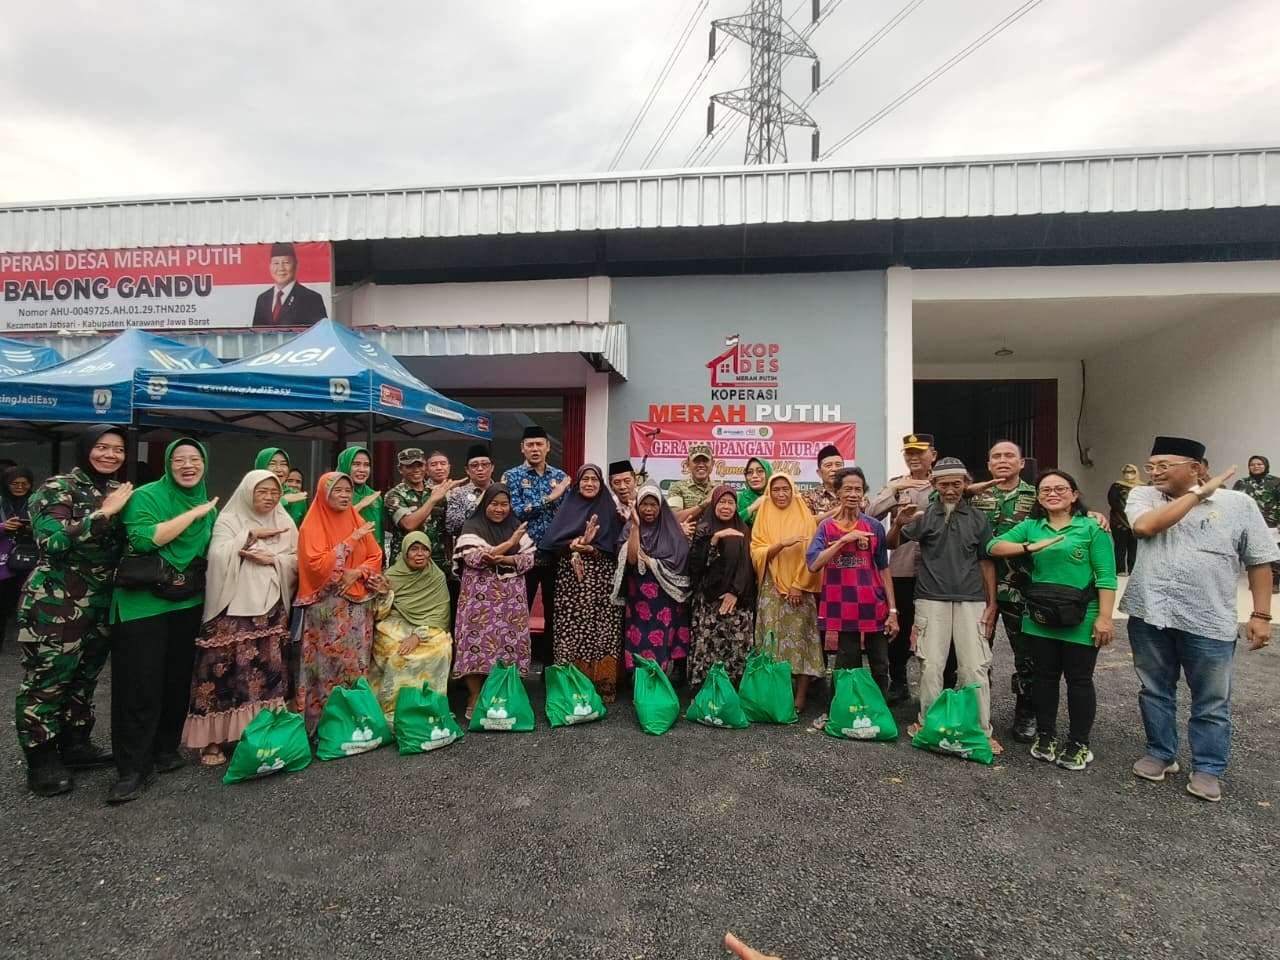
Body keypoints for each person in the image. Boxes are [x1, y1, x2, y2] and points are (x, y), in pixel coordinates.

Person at [1121, 437, 1278, 802]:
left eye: (1164, 465)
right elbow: (1145, 528)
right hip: (1150, 613)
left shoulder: (1238, 504)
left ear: (1196, 467)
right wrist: (1197, 494)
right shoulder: (1143, 496)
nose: (1154, 472)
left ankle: (1208, 767)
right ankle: (1161, 753)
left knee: (1211, 700)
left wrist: (1261, 614)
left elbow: (1259, 560)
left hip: (1209, 618)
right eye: (1151, 466)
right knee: (1154, 690)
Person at [14, 425, 132, 797]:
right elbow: (51, 541)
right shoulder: (58, 488)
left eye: (118, 449)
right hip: (56, 600)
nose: (110, 455)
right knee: (48, 679)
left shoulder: (118, 490)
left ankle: (76, 743)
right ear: (85, 449)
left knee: (84, 677)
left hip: (101, 601)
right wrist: (103, 514)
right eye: (102, 447)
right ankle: (41, 758)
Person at [110, 438, 218, 804]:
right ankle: (131, 769)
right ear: (168, 465)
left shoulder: (207, 504)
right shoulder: (146, 496)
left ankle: (165, 749)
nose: (188, 465)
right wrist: (193, 514)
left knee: (176, 681)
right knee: (139, 686)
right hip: (143, 606)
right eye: (179, 460)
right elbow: (144, 540)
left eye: (195, 459)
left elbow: (210, 551)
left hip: (187, 601)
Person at [987, 470, 1116, 770]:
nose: (1052, 493)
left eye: (1060, 488)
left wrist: (1105, 618)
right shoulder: (1032, 526)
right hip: (1040, 617)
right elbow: (993, 546)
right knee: (1044, 679)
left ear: (1074, 494)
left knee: (1079, 681)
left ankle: (1079, 742)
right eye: (1045, 490)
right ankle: (1046, 735)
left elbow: (1106, 576)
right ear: (1038, 497)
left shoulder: (1092, 527)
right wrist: (1028, 547)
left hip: (1081, 618)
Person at [887, 457, 1002, 756]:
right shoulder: (924, 515)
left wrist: (992, 603)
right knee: (930, 665)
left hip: (972, 599)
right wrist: (899, 522)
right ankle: (928, 723)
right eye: (944, 484)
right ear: (934, 485)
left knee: (974, 667)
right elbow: (891, 543)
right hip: (931, 598)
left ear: (965, 485)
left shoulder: (977, 518)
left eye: (956, 484)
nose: (950, 490)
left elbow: (986, 562)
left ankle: (981, 730)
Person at [182, 469, 297, 766]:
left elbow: (296, 559)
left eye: (275, 492)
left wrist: (273, 559)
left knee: (266, 674)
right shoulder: (230, 519)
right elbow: (217, 556)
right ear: (248, 492)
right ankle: (213, 739)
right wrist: (249, 535)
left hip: (270, 609)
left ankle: (263, 734)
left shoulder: (284, 520)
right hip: (232, 609)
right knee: (220, 672)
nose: (269, 498)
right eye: (262, 492)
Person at [293, 471, 386, 735]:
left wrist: (357, 572)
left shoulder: (356, 518)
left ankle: (356, 722)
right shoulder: (311, 525)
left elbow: (375, 554)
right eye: (338, 491)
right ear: (324, 493)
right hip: (326, 610)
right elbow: (315, 565)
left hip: (358, 609)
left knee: (355, 664)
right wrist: (350, 541)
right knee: (326, 666)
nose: (345, 496)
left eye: (348, 491)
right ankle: (325, 724)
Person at [968, 440, 1040, 743]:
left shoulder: (1037, 495)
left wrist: (1095, 515)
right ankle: (978, 710)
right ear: (988, 464)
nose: (1002, 460)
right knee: (976, 653)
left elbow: (1067, 513)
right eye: (996, 456)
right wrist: (973, 488)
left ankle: (1027, 712)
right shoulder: (975, 496)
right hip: (977, 588)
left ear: (1021, 463)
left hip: (1020, 588)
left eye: (1009, 456)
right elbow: (939, 496)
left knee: (1027, 655)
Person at [806, 468, 898, 698]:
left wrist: (893, 610)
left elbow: (884, 568)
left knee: (880, 664)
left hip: (873, 604)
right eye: (847, 489)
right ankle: (841, 708)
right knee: (847, 662)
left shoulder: (874, 526)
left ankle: (878, 709)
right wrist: (843, 541)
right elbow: (814, 564)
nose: (853, 494)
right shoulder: (826, 527)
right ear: (837, 492)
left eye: (858, 489)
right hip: (842, 605)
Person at [540, 464, 626, 701]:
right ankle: (571, 685)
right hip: (572, 582)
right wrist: (572, 544)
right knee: (572, 627)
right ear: (578, 484)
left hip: (603, 581)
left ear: (601, 483)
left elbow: (618, 546)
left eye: (594, 479)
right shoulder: (568, 508)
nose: (590, 484)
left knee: (603, 628)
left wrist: (593, 548)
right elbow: (551, 543)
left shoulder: (610, 510)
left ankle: (602, 684)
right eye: (585, 479)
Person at [452, 483, 535, 719]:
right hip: (480, 600)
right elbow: (477, 558)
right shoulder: (472, 527)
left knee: (510, 643)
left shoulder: (516, 526)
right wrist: (509, 546)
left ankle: (506, 694)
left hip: (511, 600)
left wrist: (506, 559)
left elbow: (529, 559)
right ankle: (475, 696)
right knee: (476, 644)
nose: (499, 509)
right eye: (494, 504)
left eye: (504, 504)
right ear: (484, 505)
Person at [867, 433, 936, 704]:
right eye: (909, 453)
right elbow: (871, 513)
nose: (914, 457)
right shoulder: (897, 484)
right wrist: (895, 491)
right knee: (899, 626)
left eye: (920, 452)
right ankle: (899, 681)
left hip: (936, 569)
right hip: (902, 566)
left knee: (936, 627)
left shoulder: (943, 483)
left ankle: (939, 684)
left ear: (933, 455)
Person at [750, 474, 824, 713]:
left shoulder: (803, 515)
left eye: (785, 489)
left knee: (801, 641)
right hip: (771, 587)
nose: (781, 494)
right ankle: (773, 694)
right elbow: (756, 551)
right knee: (771, 641)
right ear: (769, 493)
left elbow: (813, 553)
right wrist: (781, 544)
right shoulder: (764, 514)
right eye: (776, 490)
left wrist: (798, 585)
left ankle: (799, 697)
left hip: (800, 588)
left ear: (793, 490)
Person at [502, 426, 571, 666]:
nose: (535, 449)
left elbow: (569, 514)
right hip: (524, 555)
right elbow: (516, 511)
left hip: (555, 556)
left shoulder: (560, 477)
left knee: (555, 614)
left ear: (548, 447)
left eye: (539, 444)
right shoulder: (511, 476)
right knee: (518, 613)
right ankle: (514, 667)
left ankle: (551, 669)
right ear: (522, 448)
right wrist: (550, 498)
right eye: (530, 445)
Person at [368, 531, 454, 722]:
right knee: (397, 653)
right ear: (405, 552)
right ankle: (392, 710)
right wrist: (384, 593)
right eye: (414, 549)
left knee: (441, 648)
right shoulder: (391, 575)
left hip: (427, 626)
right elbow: (378, 614)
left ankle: (430, 708)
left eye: (424, 549)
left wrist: (417, 636)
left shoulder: (436, 576)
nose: (420, 554)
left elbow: (441, 612)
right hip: (394, 624)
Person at [612, 484, 691, 675]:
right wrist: (635, 526)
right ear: (638, 506)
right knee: (641, 635)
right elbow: (632, 559)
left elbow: (679, 561)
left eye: (653, 505)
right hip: (639, 597)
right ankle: (640, 677)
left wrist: (652, 563)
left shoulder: (672, 530)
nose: (648, 509)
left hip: (666, 597)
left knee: (664, 636)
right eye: (644, 504)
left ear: (661, 506)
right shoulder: (630, 528)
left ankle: (664, 676)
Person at [688, 485, 757, 685]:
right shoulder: (704, 528)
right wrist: (714, 540)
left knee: (735, 651)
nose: (726, 507)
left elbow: (747, 566)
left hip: (736, 602)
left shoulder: (743, 530)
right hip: (709, 604)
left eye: (731, 503)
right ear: (714, 504)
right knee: (708, 651)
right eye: (722, 502)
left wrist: (734, 592)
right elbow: (696, 567)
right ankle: (706, 695)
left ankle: (732, 695)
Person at [251, 241, 328, 327]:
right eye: (276, 263)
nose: (281, 268)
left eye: (286, 262)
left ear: (296, 264)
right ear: (270, 266)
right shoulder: (262, 299)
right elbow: (256, 333)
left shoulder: (311, 298)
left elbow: (320, 332)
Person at [1233, 454, 1280, 593]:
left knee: (1274, 554)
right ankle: (1256, 582)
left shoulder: (1276, 482)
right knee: (1253, 553)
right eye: (1252, 464)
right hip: (1249, 524)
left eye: (1259, 464)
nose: (1256, 466)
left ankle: (1275, 583)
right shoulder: (1241, 483)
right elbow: (1235, 504)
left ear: (1266, 466)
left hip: (1272, 524)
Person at [0, 465, 36, 646]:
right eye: (14, 483)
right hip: (3, 566)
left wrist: (33, 527)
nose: (20, 487)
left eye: (25, 483)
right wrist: (3, 527)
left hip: (31, 563)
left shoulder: (37, 502)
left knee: (31, 611)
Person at [336, 445, 385, 553]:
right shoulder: (333, 493)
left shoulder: (374, 496)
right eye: (356, 464)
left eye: (366, 465)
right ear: (345, 465)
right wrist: (361, 505)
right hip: (344, 553)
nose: (362, 470)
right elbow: (333, 522)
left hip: (372, 556)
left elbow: (380, 531)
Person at [445, 444, 495, 538]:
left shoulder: (501, 492)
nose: (480, 469)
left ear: (492, 467)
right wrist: (477, 506)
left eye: (485, 464)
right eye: (474, 465)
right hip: (468, 543)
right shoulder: (457, 494)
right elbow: (451, 527)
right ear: (467, 470)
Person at [255, 447, 308, 527]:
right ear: (261, 466)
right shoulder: (249, 492)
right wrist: (283, 501)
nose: (279, 469)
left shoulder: (297, 497)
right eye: (272, 464)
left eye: (283, 464)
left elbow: (304, 528)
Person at [666, 443, 715, 522]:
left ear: (712, 463)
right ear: (688, 463)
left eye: (705, 461)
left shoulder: (719, 489)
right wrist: (705, 503)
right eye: (696, 461)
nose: (701, 465)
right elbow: (674, 519)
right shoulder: (677, 487)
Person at [1107, 464, 1141, 575]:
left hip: (1136, 522)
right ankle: (1120, 570)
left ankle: (1132, 571)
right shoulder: (1116, 486)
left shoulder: (1141, 487)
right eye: (1126, 472)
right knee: (1120, 547)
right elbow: (1113, 502)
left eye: (1131, 472)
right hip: (1119, 521)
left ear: (1136, 473)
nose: (1128, 474)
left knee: (1133, 548)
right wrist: (1125, 514)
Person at [802, 443, 845, 520]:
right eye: (828, 465)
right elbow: (805, 522)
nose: (834, 469)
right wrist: (833, 513)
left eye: (838, 465)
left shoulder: (854, 494)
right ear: (819, 473)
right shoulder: (808, 497)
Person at [735, 457, 772, 526]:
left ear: (768, 473)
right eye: (750, 472)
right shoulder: (738, 499)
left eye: (760, 471)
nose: (754, 476)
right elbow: (730, 523)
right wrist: (752, 508)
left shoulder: (776, 498)